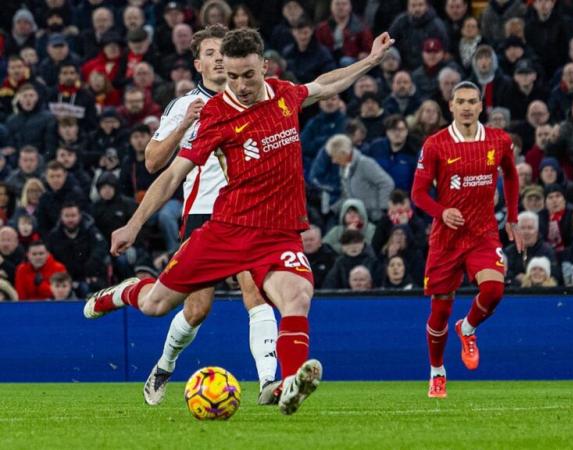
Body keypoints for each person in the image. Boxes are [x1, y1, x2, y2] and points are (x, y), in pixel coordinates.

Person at [83, 27, 395, 416]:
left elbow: (323, 86)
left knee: (297, 298)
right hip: (227, 230)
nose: (240, 85)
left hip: (280, 233)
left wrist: (369, 61)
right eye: (231, 77)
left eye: (248, 75)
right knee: (156, 305)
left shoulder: (283, 95)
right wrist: (133, 224)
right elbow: (172, 174)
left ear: (264, 67)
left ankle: (288, 384)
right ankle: (124, 292)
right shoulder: (216, 114)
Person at [139, 25, 280, 407]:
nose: (219, 58)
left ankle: (269, 380)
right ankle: (165, 366)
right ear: (198, 62)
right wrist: (187, 122)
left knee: (256, 292)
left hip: (251, 213)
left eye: (223, 52)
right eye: (211, 52)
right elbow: (152, 162)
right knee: (198, 308)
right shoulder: (186, 105)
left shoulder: (256, 97)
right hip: (204, 212)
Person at [411, 81, 522, 398]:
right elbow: (418, 193)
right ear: (451, 106)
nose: (467, 107)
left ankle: (469, 327)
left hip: (483, 232)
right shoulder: (436, 144)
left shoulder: (499, 140)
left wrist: (512, 217)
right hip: (447, 238)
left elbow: (511, 176)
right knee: (440, 312)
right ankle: (437, 372)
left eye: (473, 101)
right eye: (461, 101)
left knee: (494, 289)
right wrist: (442, 211)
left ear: (481, 106)